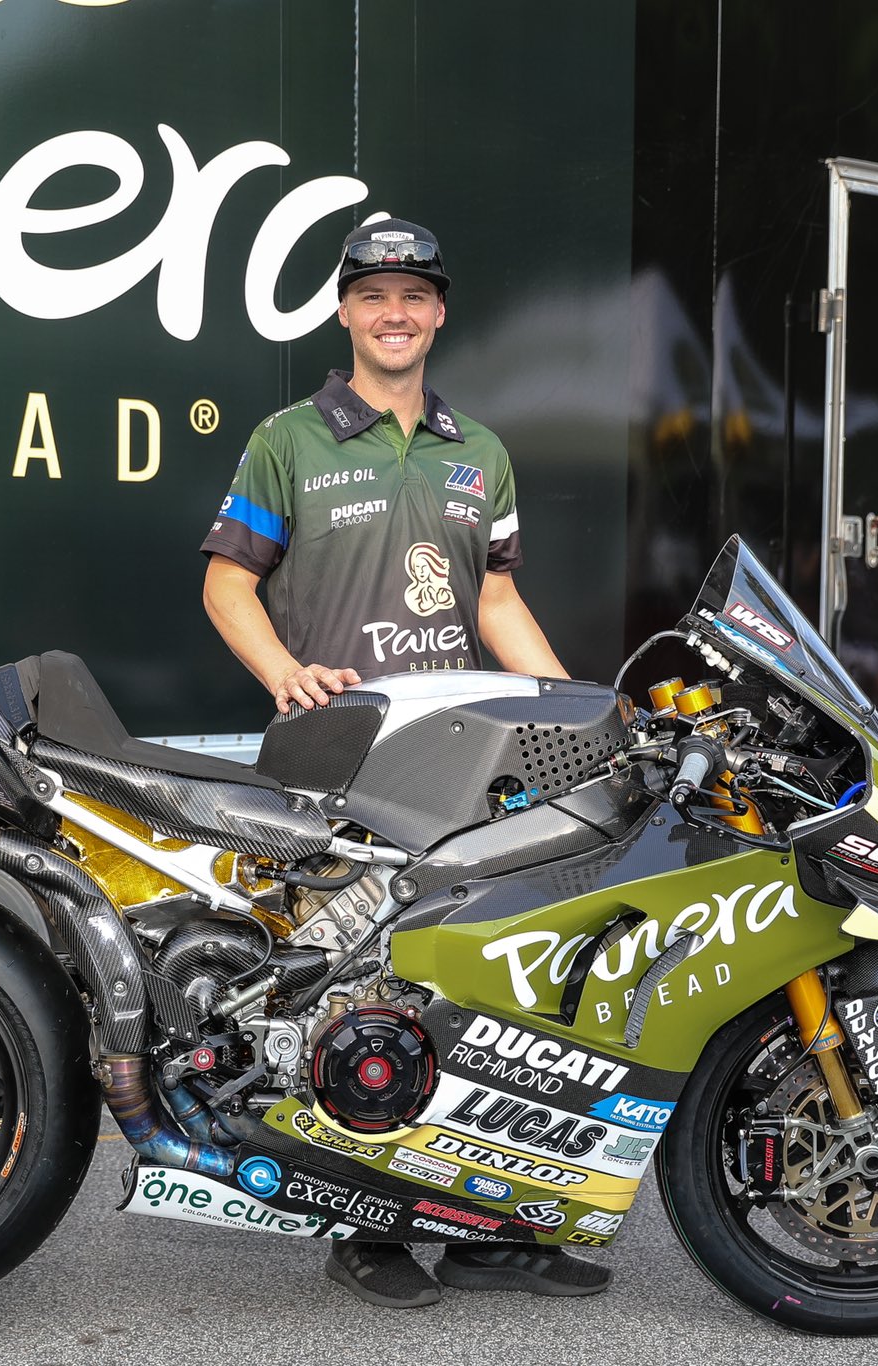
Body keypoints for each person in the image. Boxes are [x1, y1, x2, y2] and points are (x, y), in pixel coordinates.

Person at [198, 219, 610, 1308]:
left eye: (413, 295)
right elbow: (227, 584)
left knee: (485, 989)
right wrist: (285, 673)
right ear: (343, 312)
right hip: (337, 759)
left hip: (461, 762)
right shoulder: (288, 438)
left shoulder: (481, 451)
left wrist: (581, 713)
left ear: (437, 313)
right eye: (373, 294)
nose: (394, 312)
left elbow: (494, 600)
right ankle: (362, 1225)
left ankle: (490, 1229)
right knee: (356, 996)